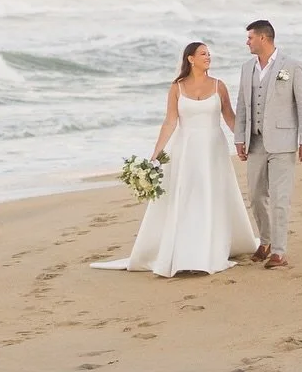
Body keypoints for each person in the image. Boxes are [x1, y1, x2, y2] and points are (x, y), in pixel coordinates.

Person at [93, 41, 259, 276]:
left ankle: (209, 247)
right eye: (203, 54)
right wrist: (156, 154)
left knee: (209, 195)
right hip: (186, 149)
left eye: (209, 54)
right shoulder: (177, 87)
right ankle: (186, 249)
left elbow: (230, 117)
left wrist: (242, 141)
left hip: (213, 149)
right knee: (187, 196)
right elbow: (170, 122)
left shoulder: (219, 86)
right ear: (190, 59)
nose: (208, 57)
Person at [234, 18, 302, 269]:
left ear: (264, 38)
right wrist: (239, 137)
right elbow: (242, 106)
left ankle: (279, 252)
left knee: (280, 198)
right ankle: (266, 241)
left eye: (250, 38)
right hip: (255, 142)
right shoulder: (247, 68)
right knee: (256, 197)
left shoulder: (292, 66)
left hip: (283, 142)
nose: (247, 42)